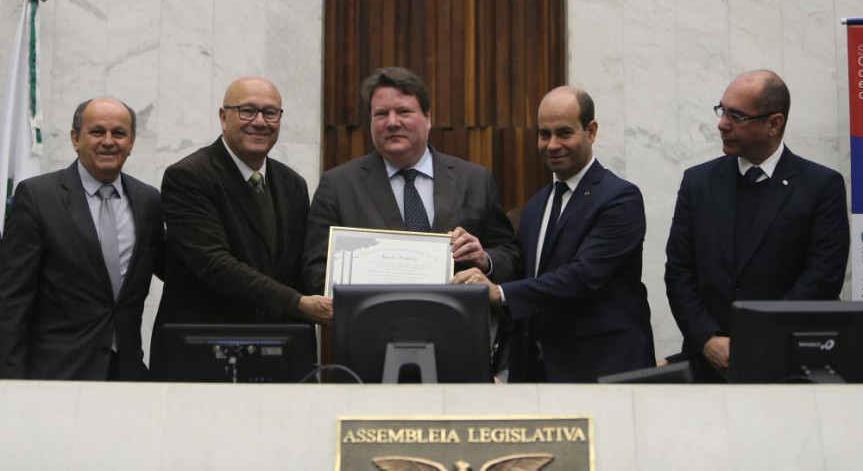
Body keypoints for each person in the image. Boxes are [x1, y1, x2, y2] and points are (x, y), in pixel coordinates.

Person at [452, 86, 655, 382]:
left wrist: (499, 292)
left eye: (564, 132)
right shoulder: (535, 207)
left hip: (605, 368)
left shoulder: (620, 198)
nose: (552, 144)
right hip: (542, 372)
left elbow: (582, 276)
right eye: (544, 134)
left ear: (591, 131)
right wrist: (483, 261)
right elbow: (530, 276)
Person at [665, 69, 850, 382]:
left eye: (736, 115)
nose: (722, 123)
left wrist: (757, 341)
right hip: (707, 365)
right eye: (722, 111)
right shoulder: (698, 183)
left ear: (774, 123)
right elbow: (680, 273)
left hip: (787, 365)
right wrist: (708, 339)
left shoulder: (821, 186)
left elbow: (821, 279)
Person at [149, 77, 331, 373]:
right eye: (247, 111)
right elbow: (214, 264)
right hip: (206, 358)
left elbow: (298, 265)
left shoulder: (293, 184)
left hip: (280, 356)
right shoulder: (188, 177)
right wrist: (298, 304)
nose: (260, 122)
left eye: (270, 113)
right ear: (223, 117)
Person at [303, 66, 522, 297]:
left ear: (427, 117)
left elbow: (512, 257)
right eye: (381, 114)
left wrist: (483, 260)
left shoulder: (476, 180)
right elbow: (314, 273)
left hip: (455, 326)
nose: (392, 122)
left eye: (404, 111)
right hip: (372, 327)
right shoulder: (338, 186)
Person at [0, 97, 163, 380]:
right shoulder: (39, 197)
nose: (109, 141)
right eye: (97, 132)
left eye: (119, 133)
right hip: (54, 375)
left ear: (132, 142)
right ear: (76, 139)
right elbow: (12, 300)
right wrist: (11, 382)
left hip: (125, 373)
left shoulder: (148, 201)